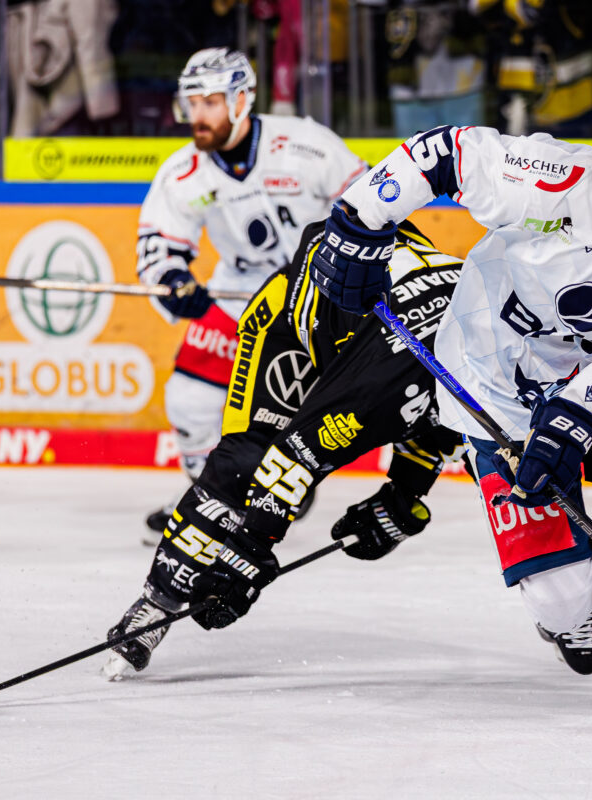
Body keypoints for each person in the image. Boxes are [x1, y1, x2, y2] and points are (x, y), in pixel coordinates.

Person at [206, 77, 592, 723]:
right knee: (559, 601)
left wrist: (571, 421)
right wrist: (359, 221)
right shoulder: (547, 175)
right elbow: (439, 153)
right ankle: (576, 626)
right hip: (496, 388)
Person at [104, 219, 468, 679]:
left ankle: (561, 594)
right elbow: (297, 455)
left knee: (430, 400)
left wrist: (404, 494)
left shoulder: (498, 333)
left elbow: (443, 412)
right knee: (246, 464)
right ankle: (157, 601)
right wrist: (248, 551)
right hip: (293, 326)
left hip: (383, 329)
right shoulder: (386, 372)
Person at [135, 47, 367, 544]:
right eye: (191, 103)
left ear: (243, 99)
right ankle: (211, 505)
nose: (198, 116)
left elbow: (371, 199)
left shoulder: (305, 145)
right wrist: (174, 283)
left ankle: (278, 484)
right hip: (238, 293)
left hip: (319, 294)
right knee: (190, 401)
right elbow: (158, 246)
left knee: (292, 407)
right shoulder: (185, 171)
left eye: (211, 102)